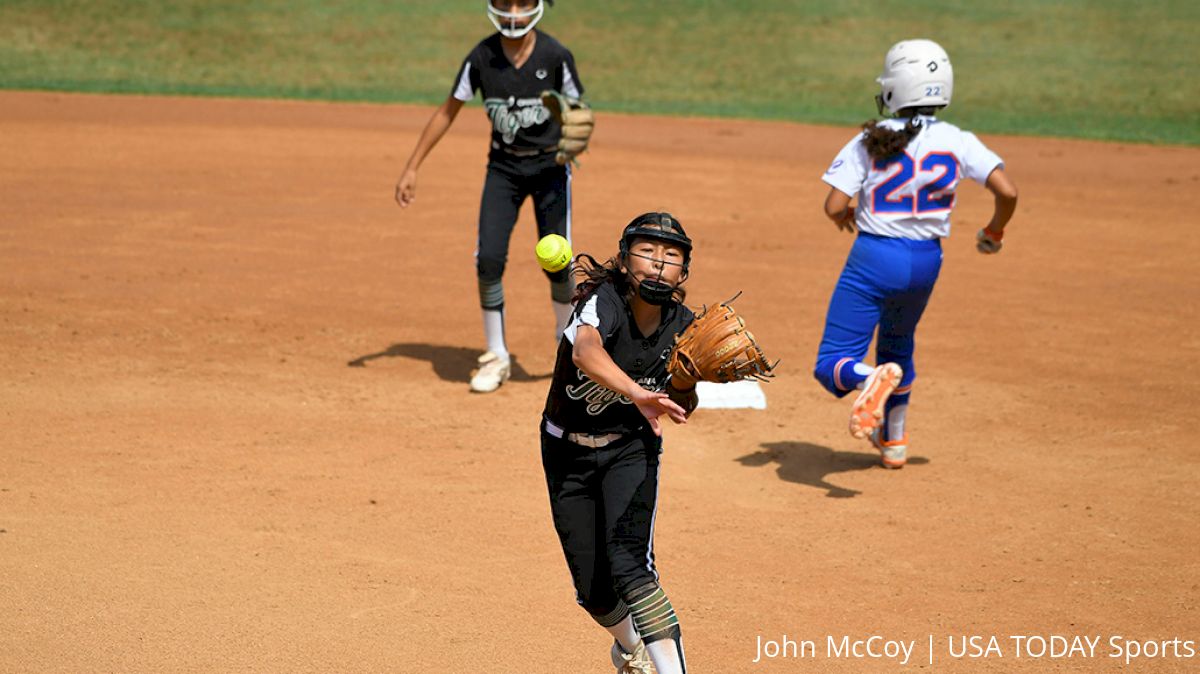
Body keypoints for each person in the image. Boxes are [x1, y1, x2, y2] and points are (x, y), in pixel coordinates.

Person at [813, 39, 1019, 468]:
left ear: (894, 89)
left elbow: (834, 206)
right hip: (926, 262)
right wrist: (994, 231)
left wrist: (845, 215)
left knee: (833, 360)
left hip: (873, 257)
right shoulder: (959, 141)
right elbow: (1007, 191)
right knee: (898, 345)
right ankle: (894, 442)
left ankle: (869, 379)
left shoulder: (870, 139)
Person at [395, 0, 585, 392]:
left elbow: (578, 108)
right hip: (504, 170)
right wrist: (413, 165)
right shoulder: (482, 57)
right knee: (489, 259)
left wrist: (577, 133)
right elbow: (448, 111)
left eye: (523, 2)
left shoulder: (555, 55)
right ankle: (496, 355)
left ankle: (567, 346)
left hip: (550, 169)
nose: (513, 12)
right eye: (504, 3)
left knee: (557, 261)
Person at [541, 212, 698, 674]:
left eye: (671, 257)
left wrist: (687, 380)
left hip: (631, 447)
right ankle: (631, 647)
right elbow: (585, 351)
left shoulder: (683, 325)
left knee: (630, 564)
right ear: (626, 259)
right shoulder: (601, 300)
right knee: (593, 590)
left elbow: (685, 402)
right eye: (647, 252)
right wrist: (636, 391)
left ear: (682, 272)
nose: (657, 264)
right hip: (565, 449)